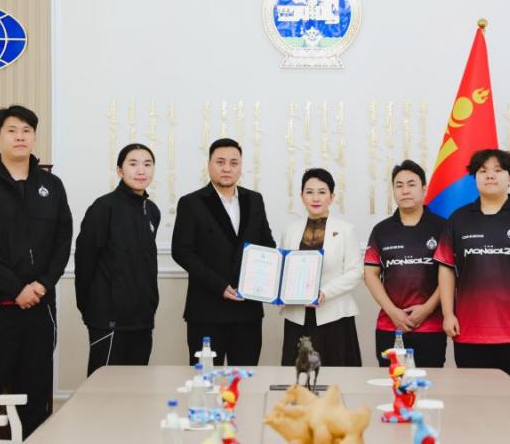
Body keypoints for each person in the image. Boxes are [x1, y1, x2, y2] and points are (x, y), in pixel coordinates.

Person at [0, 105, 72, 438]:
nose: (20, 136)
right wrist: (17, 288)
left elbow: (62, 241)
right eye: (12, 130)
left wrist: (42, 285)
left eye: (26, 130)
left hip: (40, 306)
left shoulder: (51, 186)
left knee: (36, 396)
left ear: (35, 137)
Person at [435, 149, 510, 395]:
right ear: (475, 178)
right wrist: (448, 314)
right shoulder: (458, 220)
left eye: (498, 170)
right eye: (483, 171)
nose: (490, 176)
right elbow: (446, 269)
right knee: (475, 404)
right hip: (469, 333)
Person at [171, 138, 275, 366]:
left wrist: (270, 279)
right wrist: (219, 286)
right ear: (209, 165)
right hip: (206, 310)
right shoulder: (191, 203)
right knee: (206, 379)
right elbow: (181, 251)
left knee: (246, 379)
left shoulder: (254, 200)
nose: (227, 168)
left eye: (233, 163)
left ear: (240, 166)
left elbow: (267, 245)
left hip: (248, 309)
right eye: (220, 162)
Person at [74, 143, 160, 376]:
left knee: (135, 385)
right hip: (108, 318)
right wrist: (90, 309)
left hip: (142, 319)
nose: (141, 170)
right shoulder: (103, 207)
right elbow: (84, 262)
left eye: (147, 164)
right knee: (103, 387)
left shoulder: (152, 210)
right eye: (133, 164)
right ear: (120, 171)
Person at [364, 160, 447, 367]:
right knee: (392, 381)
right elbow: (370, 274)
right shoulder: (381, 230)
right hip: (390, 325)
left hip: (431, 326)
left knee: (428, 382)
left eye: (411, 184)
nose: (405, 191)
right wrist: (393, 312)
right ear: (393, 191)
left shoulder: (442, 227)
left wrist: (427, 309)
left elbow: (449, 275)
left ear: (424, 189)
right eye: (399, 185)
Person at [279, 168, 362, 367]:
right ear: (301, 196)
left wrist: (324, 292)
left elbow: (355, 272)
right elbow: (282, 269)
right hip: (298, 316)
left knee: (335, 374)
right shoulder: (290, 230)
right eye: (309, 192)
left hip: (333, 316)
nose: (315, 198)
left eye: (322, 192)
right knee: (298, 374)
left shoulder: (345, 230)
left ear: (332, 197)